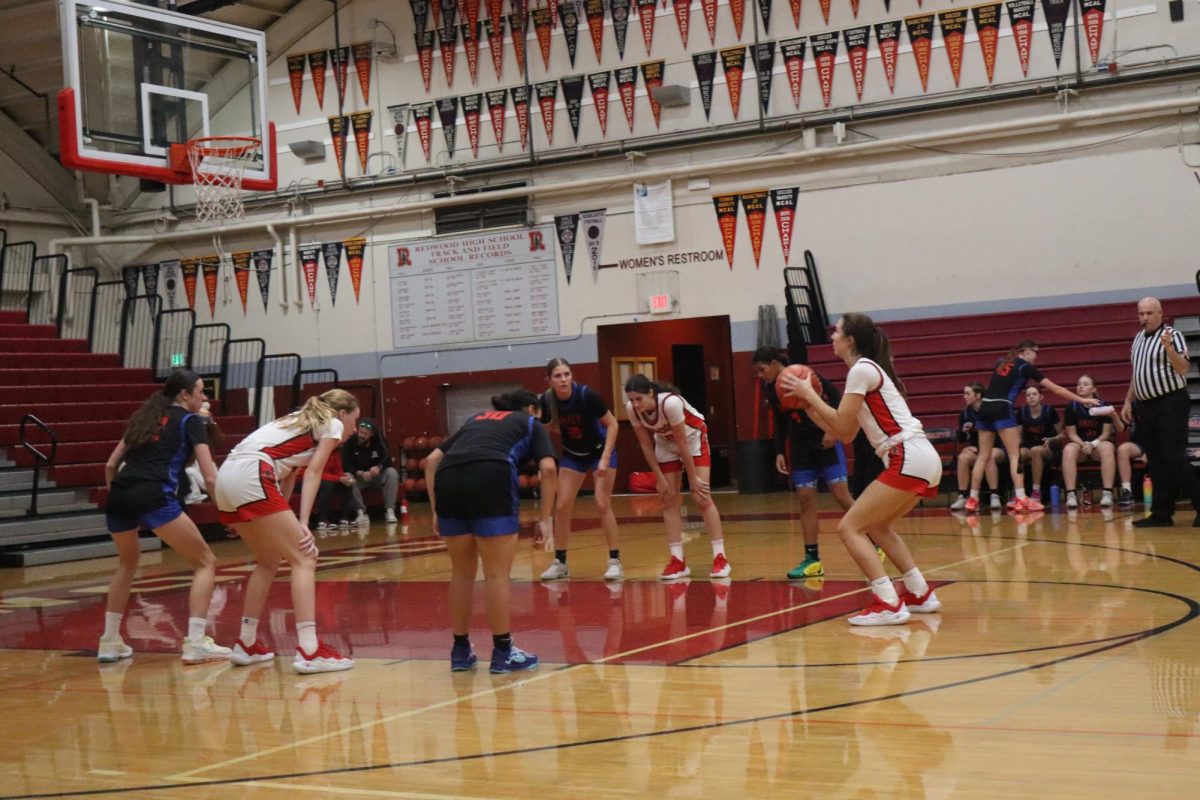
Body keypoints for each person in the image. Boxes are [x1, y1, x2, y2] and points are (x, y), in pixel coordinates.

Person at [779, 313, 940, 627]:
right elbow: (846, 433)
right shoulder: (865, 371)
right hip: (919, 457)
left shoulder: (862, 369)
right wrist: (808, 405)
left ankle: (888, 602)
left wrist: (808, 392)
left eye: (837, 331)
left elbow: (839, 424)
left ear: (850, 339)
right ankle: (920, 593)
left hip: (907, 455)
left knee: (849, 528)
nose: (833, 336)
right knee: (878, 527)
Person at [215, 388, 360, 674]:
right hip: (253, 473)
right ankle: (309, 649)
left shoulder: (298, 420)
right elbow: (315, 473)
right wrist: (304, 523)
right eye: (355, 420)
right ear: (342, 414)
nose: (354, 429)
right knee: (304, 557)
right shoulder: (332, 424)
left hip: (227, 476)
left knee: (268, 560)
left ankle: (246, 643)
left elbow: (289, 474)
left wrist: (290, 518)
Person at [98, 369, 230, 664]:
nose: (204, 396)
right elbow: (210, 477)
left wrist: (122, 495)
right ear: (185, 395)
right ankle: (196, 642)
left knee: (127, 564)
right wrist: (229, 509)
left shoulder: (143, 418)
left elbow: (110, 465)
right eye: (201, 391)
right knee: (205, 562)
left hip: (119, 495)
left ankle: (108, 641)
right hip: (153, 494)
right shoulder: (191, 420)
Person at [425, 389, 557, 674]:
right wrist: (545, 519)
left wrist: (436, 509)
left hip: (449, 479)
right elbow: (548, 469)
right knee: (496, 573)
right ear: (532, 409)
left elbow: (431, 461)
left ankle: (460, 651)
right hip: (490, 475)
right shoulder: (531, 423)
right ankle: (503, 651)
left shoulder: (475, 419)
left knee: (461, 572)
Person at [752, 346, 854, 579]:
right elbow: (779, 420)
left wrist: (834, 430)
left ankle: (875, 540)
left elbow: (837, 396)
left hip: (825, 440)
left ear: (776, 363)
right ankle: (812, 560)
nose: (760, 375)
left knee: (841, 496)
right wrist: (779, 451)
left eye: (762, 369)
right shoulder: (771, 389)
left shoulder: (804, 374)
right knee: (805, 500)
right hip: (801, 447)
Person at [965, 339, 1097, 513]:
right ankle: (1021, 499)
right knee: (1015, 456)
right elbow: (1055, 389)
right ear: (1027, 351)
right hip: (1002, 407)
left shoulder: (1001, 362)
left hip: (985, 406)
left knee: (983, 456)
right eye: (1036, 352)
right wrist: (1082, 399)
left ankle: (972, 500)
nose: (1036, 357)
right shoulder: (1025, 367)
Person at [624, 374, 730, 580]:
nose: (635, 404)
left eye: (639, 398)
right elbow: (646, 444)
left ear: (651, 393)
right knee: (668, 499)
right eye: (631, 400)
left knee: (701, 496)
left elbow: (682, 443)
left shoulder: (670, 403)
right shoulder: (633, 410)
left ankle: (720, 557)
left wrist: (693, 478)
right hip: (665, 444)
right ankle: (677, 561)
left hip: (692, 440)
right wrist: (659, 478)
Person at [537, 358, 623, 582]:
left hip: (599, 451)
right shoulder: (547, 401)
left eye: (567, 374)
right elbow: (547, 428)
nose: (564, 379)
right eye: (558, 376)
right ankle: (560, 562)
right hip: (573, 454)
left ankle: (615, 561)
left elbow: (613, 424)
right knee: (563, 505)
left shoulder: (587, 395)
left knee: (602, 503)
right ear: (549, 380)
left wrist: (604, 459)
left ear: (572, 375)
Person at [1121, 297, 1200, 527]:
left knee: (1174, 456)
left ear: (1160, 313)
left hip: (1170, 402)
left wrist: (1168, 349)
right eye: (1141, 314)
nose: (1144, 318)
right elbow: (1137, 374)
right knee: (1155, 459)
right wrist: (1128, 402)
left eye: (1149, 313)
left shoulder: (1172, 335)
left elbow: (1184, 368)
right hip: (1146, 406)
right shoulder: (1137, 339)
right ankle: (1161, 513)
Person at [948, 383, 1007, 511]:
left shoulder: (990, 411)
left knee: (988, 456)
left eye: (968, 394)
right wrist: (962, 433)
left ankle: (994, 495)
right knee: (963, 457)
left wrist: (981, 448)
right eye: (964, 393)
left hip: (997, 447)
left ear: (978, 396)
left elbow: (998, 435)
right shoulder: (965, 413)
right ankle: (962, 495)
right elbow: (962, 440)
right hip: (977, 448)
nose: (964, 396)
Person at [1061, 374, 1116, 509]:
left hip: (1098, 445)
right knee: (1068, 449)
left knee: (1108, 447)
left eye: (1085, 384)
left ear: (1093, 389)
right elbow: (1071, 434)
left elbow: (1106, 433)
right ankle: (1071, 495)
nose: (1080, 386)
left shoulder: (1104, 406)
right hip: (1080, 446)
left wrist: (1093, 444)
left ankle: (1107, 493)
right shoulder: (1071, 407)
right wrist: (1083, 445)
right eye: (1079, 384)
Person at [336, 418, 401, 524]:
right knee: (347, 476)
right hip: (359, 478)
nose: (362, 436)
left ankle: (390, 510)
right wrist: (359, 472)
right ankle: (361, 513)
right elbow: (345, 464)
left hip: (376, 476)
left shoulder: (379, 440)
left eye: (365, 434)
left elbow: (388, 458)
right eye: (360, 432)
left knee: (391, 472)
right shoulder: (350, 441)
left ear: (372, 434)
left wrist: (378, 467)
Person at [1016, 385, 1062, 504]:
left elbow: (1062, 434)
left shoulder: (1049, 411)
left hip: (1048, 448)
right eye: (1028, 395)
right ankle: (1019, 493)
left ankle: (1036, 492)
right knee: (1017, 454)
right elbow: (1018, 436)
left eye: (1034, 394)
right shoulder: (1022, 412)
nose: (1031, 397)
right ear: (1025, 399)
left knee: (1036, 451)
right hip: (1028, 446)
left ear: (1041, 397)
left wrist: (1052, 439)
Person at [1116, 420, 1146, 509]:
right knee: (1123, 450)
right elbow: (1121, 428)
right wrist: (1113, 415)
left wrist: (1150, 450)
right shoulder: (1131, 407)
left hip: (1159, 442)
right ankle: (1127, 491)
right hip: (1138, 444)